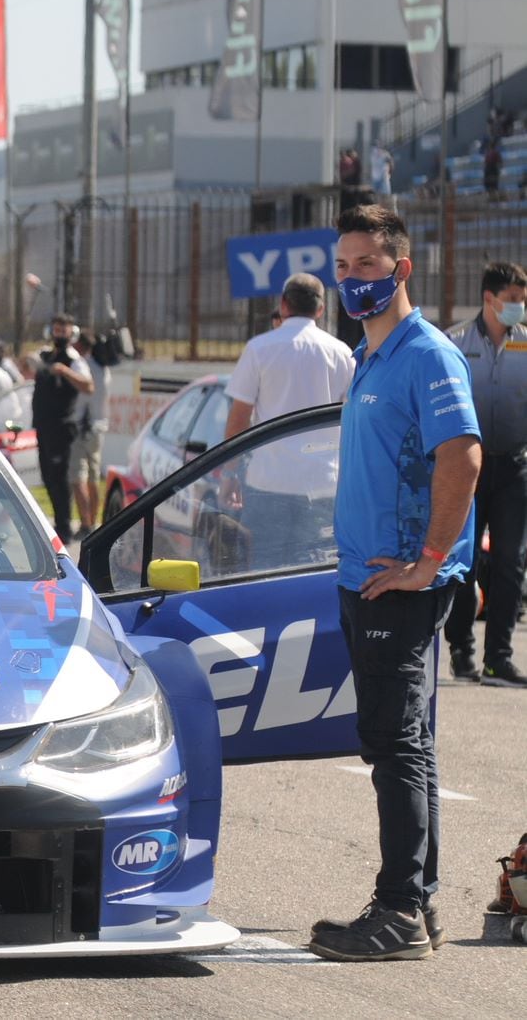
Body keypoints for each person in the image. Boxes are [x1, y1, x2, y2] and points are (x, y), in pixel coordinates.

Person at [308, 204, 481, 962]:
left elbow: (463, 458)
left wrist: (429, 557)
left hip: (399, 587)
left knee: (393, 744)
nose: (352, 280)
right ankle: (419, 902)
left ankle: (398, 911)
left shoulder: (426, 354)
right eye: (342, 267)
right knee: (408, 741)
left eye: (368, 266)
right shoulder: (366, 356)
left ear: (402, 269)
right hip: (363, 579)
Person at [222, 272, 355, 568]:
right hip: (323, 485)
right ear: (320, 310)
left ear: (283, 305)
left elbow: (238, 420)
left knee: (263, 573)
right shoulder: (343, 353)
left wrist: (229, 474)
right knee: (315, 571)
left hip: (268, 482)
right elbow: (353, 422)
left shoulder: (259, 348)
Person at [442, 260, 527, 686]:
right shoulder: (454, 342)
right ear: (489, 298)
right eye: (513, 300)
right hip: (466, 469)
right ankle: (461, 649)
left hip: (514, 467)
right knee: (465, 561)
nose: (520, 308)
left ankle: (499, 658)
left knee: (511, 563)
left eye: (523, 300)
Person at [29, 314, 93, 543]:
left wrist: (64, 372)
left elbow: (88, 386)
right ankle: (58, 523)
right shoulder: (45, 355)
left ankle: (64, 528)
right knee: (47, 477)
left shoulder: (73, 359)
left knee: (60, 479)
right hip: (43, 425)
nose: (59, 334)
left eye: (63, 331)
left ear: (71, 333)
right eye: (56, 330)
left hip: (61, 427)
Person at [69, 331, 110, 536]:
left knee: (78, 476)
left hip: (81, 426)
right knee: (94, 477)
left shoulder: (82, 366)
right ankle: (94, 522)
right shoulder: (103, 368)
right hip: (99, 426)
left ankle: (85, 524)